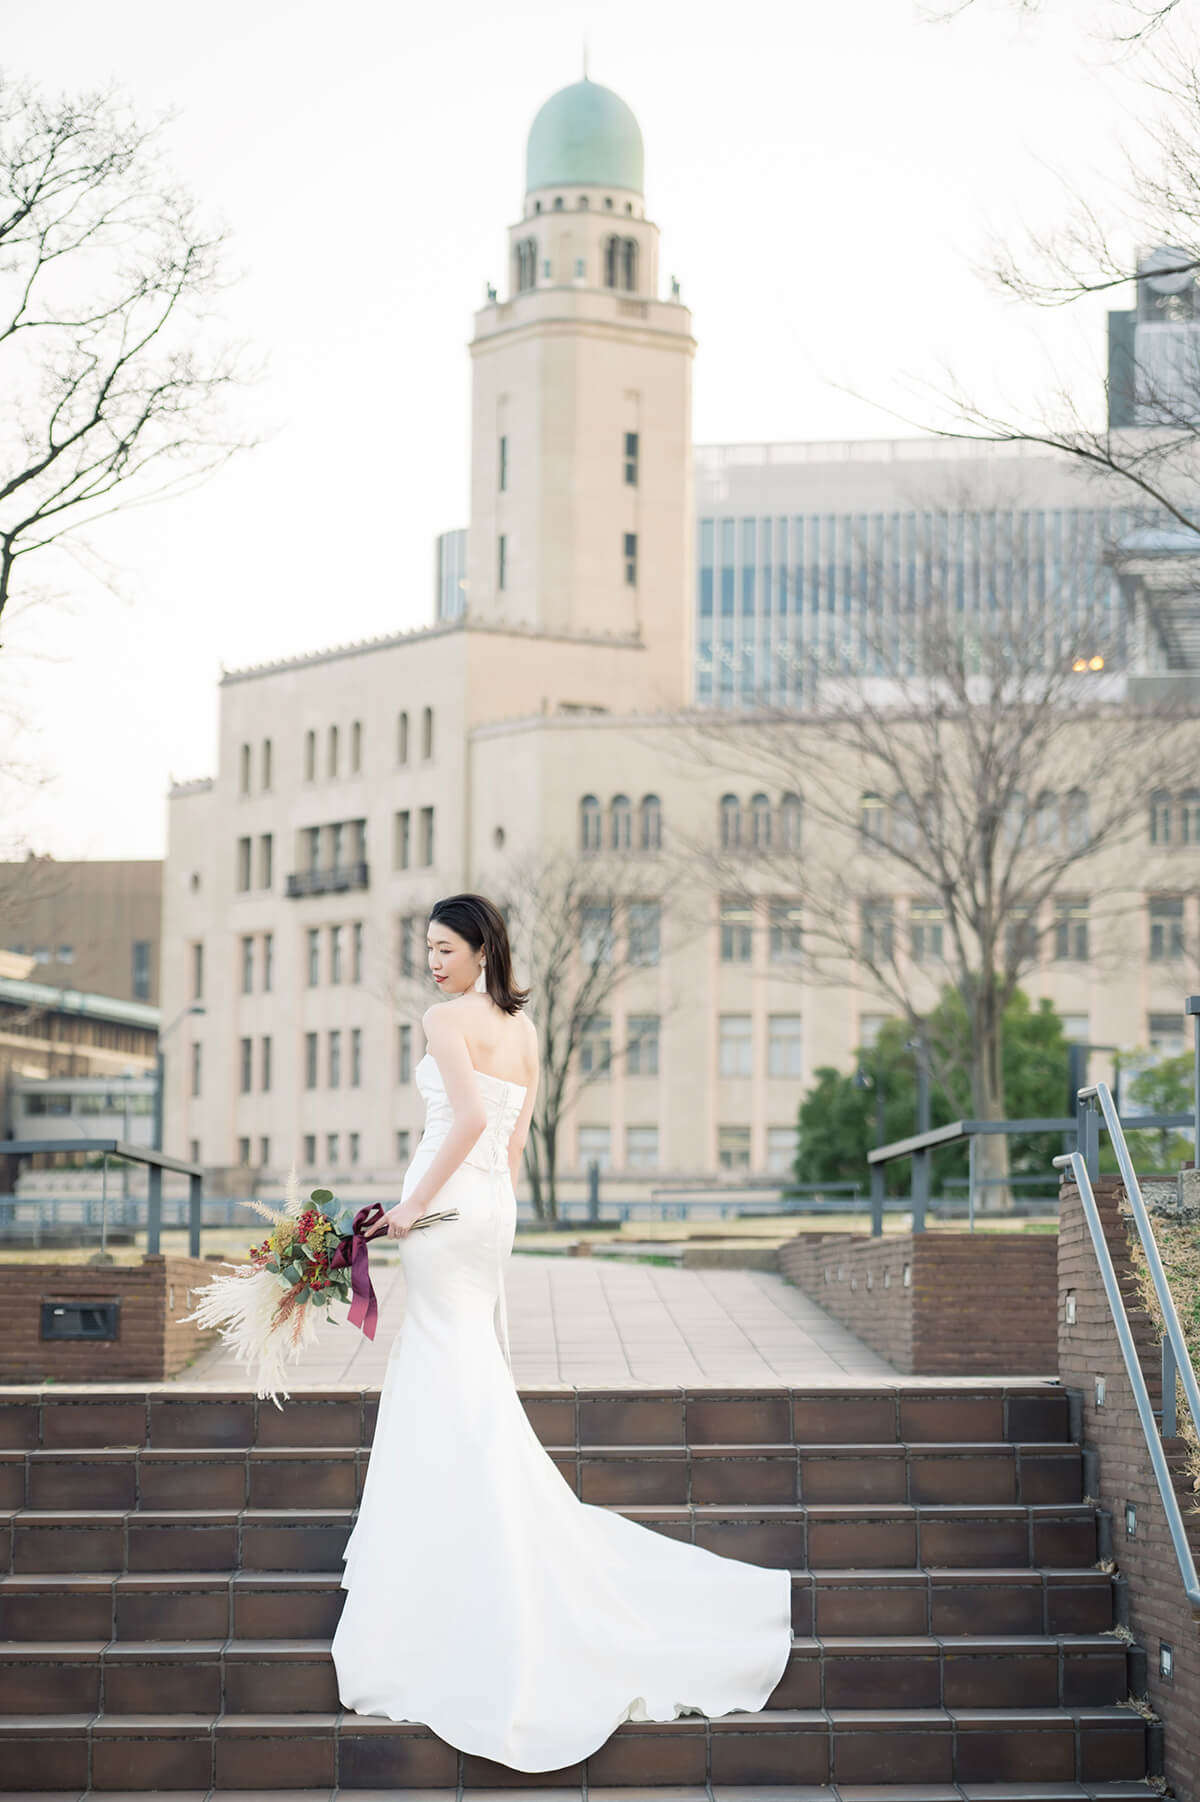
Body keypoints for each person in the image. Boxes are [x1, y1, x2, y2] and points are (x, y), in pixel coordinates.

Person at [330, 892, 793, 1773]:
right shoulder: (524, 1029)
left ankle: (441, 1544)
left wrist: (410, 1208)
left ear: (477, 948)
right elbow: (512, 1142)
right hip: (488, 1212)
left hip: (443, 1212)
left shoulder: (443, 1021)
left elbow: (465, 1121)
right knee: (464, 1368)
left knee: (439, 1368)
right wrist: (483, 1214)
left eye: (441, 947)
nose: (431, 963)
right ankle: (478, 1519)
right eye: (426, 950)